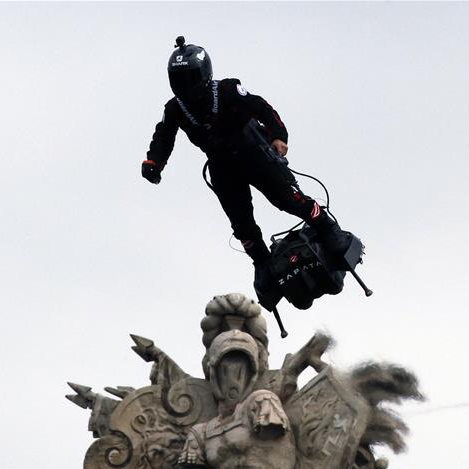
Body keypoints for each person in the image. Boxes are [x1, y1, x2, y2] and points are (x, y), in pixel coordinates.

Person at [142, 36, 351, 298]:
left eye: (190, 78)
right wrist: (154, 162)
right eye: (180, 80)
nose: (186, 86)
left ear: (204, 74)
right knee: (241, 223)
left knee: (289, 200)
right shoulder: (174, 109)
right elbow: (163, 136)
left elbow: (262, 107)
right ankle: (262, 262)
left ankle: (326, 226)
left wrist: (278, 136)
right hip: (221, 166)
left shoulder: (228, 90)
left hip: (253, 152)